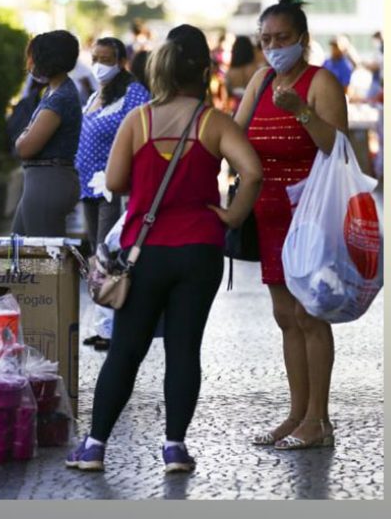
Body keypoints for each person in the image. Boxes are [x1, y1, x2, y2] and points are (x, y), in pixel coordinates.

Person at [65, 24, 263, 473]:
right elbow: (251, 172)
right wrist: (231, 217)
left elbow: (114, 183)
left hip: (144, 252)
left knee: (126, 350)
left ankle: (94, 447)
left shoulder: (140, 120)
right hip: (200, 251)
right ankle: (175, 448)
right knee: (184, 348)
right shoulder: (214, 122)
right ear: (204, 70)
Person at [237, 0, 372, 451]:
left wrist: (299, 110)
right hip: (269, 213)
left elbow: (337, 147)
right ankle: (296, 414)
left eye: (282, 38)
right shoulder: (260, 79)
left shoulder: (321, 83)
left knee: (309, 313)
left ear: (303, 40)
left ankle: (319, 420)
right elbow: (236, 138)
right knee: (283, 316)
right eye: (267, 39)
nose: (274, 46)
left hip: (312, 215)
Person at [75, 37, 151, 351]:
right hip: (88, 186)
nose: (99, 64)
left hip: (113, 186)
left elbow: (143, 131)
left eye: (106, 58)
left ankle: (114, 324)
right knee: (97, 254)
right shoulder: (97, 93)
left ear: (120, 60)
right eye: (95, 57)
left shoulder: (133, 92)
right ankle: (102, 322)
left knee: (110, 252)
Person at [12, 30, 83, 237]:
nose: (29, 63)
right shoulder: (53, 91)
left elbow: (26, 147)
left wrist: (22, 137)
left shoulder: (60, 98)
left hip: (48, 181)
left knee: (42, 256)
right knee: (20, 249)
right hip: (41, 179)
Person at [223, 35, 260, 111]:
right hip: (255, 107)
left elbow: (227, 93)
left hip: (236, 108)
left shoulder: (230, 73)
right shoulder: (257, 70)